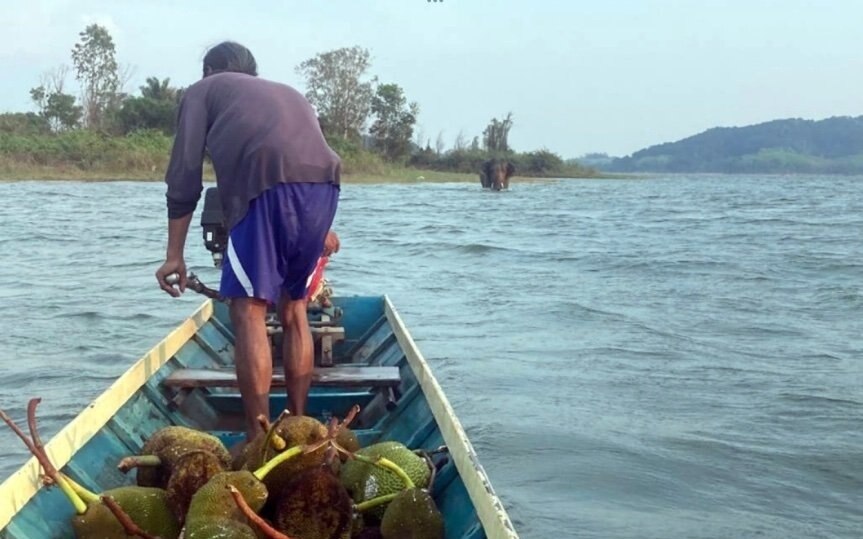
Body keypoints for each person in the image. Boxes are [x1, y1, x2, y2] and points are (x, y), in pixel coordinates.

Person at [154, 42, 341, 441]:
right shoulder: (287, 93)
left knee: (249, 310)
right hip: (325, 187)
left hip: (266, 182)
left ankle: (258, 440)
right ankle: (301, 427)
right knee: (295, 310)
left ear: (209, 70)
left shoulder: (203, 91)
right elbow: (307, 155)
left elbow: (185, 175)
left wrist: (174, 255)